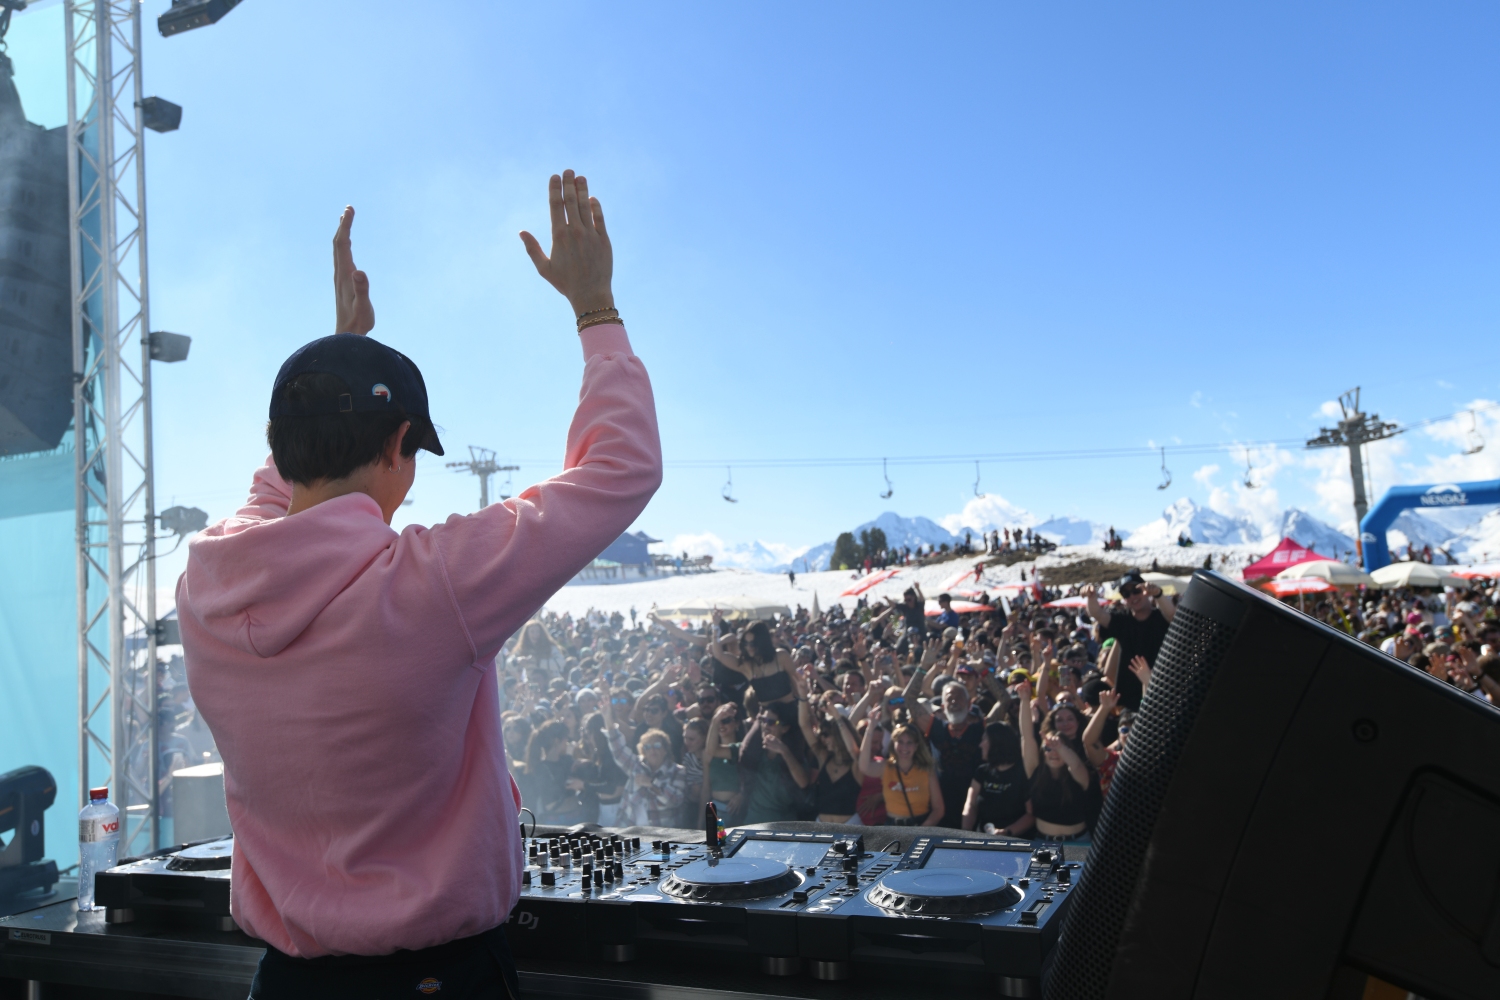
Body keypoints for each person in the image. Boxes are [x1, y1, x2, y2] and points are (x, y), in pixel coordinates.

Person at [179, 171, 660, 994]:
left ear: (278, 441)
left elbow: (279, 499)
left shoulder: (206, 583)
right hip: (433, 984)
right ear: (401, 441)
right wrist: (596, 310)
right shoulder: (430, 587)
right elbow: (620, 469)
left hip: (286, 983)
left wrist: (335, 359)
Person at [1016, 680, 1099, 842]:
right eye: (1048, 749)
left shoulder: (1079, 772)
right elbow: (1026, 736)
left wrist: (1060, 746)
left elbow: (1075, 765)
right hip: (1043, 842)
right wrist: (1025, 700)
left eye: (1059, 749)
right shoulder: (1035, 770)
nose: (1053, 753)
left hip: (1078, 842)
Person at [1084, 570, 1175, 710]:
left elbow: (1172, 615)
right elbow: (1097, 614)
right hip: (1128, 700)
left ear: (1145, 590)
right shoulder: (1122, 620)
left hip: (1163, 692)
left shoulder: (1160, 617)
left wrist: (1158, 594)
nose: (1132, 596)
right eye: (1126, 594)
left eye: (1136, 590)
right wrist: (1091, 597)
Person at [602, 697, 686, 827]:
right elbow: (618, 749)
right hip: (629, 833)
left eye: (657, 746)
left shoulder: (678, 771)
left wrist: (652, 784)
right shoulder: (635, 765)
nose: (652, 750)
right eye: (647, 747)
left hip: (661, 838)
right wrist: (608, 719)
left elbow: (675, 800)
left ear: (665, 750)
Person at [858, 719, 944, 827]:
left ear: (916, 746)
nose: (905, 747)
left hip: (920, 825)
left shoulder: (927, 770)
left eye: (909, 743)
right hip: (892, 826)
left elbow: (938, 810)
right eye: (900, 742)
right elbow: (864, 767)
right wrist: (870, 729)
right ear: (893, 743)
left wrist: (922, 831)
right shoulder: (885, 767)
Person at [926, 680, 983, 822]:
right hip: (941, 807)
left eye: (958, 697)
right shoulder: (936, 728)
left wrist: (983, 672)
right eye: (949, 698)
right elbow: (909, 699)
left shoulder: (980, 729)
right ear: (943, 706)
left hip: (974, 805)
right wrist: (922, 668)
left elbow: (1004, 702)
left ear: (969, 704)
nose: (954, 701)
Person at [962, 723, 1031, 836]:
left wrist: (1007, 832)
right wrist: (965, 831)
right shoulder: (982, 771)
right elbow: (971, 804)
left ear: (997, 743)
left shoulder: (1023, 772)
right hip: (984, 836)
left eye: (984, 740)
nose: (980, 745)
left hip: (1015, 840)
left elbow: (1031, 814)